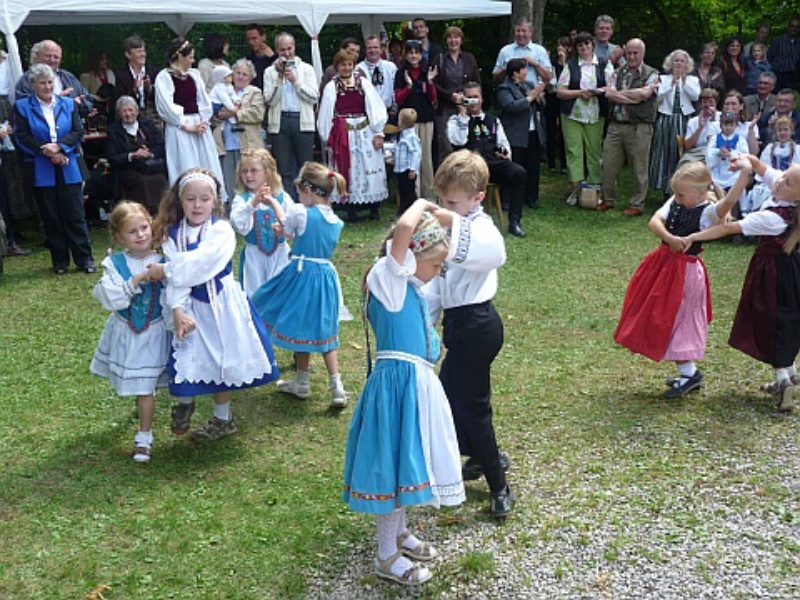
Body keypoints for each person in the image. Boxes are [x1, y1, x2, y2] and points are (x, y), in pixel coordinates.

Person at [342, 200, 465, 586]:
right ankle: (386, 555)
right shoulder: (390, 279)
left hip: (411, 387)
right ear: (412, 255)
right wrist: (423, 204)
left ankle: (398, 533)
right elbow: (404, 231)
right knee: (394, 467)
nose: (439, 271)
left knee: (407, 462)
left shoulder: (407, 287)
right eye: (436, 264)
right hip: (398, 389)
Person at [147, 168, 279, 439]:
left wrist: (167, 269)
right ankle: (185, 403)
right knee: (188, 353)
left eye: (204, 199)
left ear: (215, 201)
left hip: (222, 306)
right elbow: (180, 280)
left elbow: (200, 265)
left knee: (222, 358)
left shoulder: (221, 231)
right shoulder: (173, 235)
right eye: (190, 199)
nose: (197, 205)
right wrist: (177, 310)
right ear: (180, 200)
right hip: (189, 306)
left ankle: (223, 418)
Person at [423, 150, 513, 519]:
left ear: (477, 198)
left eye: (453, 203)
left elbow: (493, 253)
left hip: (479, 325)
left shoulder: (482, 228)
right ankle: (478, 453)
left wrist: (451, 222)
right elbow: (437, 282)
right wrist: (424, 322)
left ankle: (498, 483)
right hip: (459, 325)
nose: (444, 208)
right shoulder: (453, 225)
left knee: (473, 408)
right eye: (441, 200)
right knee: (447, 399)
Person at [614, 160, 751, 398]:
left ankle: (689, 374)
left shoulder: (708, 212)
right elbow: (654, 221)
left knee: (678, 319)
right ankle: (688, 372)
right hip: (663, 264)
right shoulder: (676, 201)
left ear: (701, 192)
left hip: (684, 272)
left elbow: (729, 201)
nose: (677, 198)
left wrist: (745, 172)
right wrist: (670, 238)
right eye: (676, 193)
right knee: (657, 313)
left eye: (681, 195)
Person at [683, 157, 800, 410]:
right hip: (790, 269)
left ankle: (783, 379)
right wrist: (742, 161)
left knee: (771, 320)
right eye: (784, 175)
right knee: (787, 319)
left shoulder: (773, 219)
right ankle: (790, 374)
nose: (780, 180)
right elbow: (760, 166)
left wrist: (694, 236)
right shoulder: (785, 194)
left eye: (788, 182)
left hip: (773, 275)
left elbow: (728, 229)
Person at [250, 162, 349, 409]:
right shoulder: (335, 220)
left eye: (300, 192)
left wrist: (273, 205)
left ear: (309, 190)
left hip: (302, 275)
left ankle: (303, 381)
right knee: (325, 329)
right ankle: (336, 386)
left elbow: (287, 226)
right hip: (325, 277)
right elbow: (300, 233)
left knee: (297, 323)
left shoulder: (301, 212)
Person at [89, 201, 170, 462]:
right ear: (119, 236)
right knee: (141, 384)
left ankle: (144, 438)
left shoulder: (164, 260)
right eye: (132, 231)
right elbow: (111, 298)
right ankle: (143, 413)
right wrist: (136, 279)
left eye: (144, 228)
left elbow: (176, 292)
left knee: (146, 387)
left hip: (155, 332)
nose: (141, 235)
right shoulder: (115, 264)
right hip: (127, 331)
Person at [14, 63, 95, 274]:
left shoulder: (68, 104)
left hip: (68, 164)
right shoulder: (22, 107)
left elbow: (78, 132)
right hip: (41, 167)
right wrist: (47, 151)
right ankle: (60, 261)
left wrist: (60, 148)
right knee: (51, 215)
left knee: (75, 214)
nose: (47, 87)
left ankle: (85, 259)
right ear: (33, 85)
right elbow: (21, 137)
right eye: (42, 83)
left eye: (50, 82)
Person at [448, 81, 528, 237]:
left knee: (519, 172)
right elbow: (458, 141)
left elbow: (503, 144)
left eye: (476, 97)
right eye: (469, 97)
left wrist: (505, 154)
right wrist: (463, 114)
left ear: (482, 98)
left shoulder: (493, 120)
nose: (473, 101)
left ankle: (514, 222)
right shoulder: (456, 120)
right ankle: (466, 221)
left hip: (492, 165)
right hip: (469, 168)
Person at [318, 49, 388, 222]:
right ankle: (350, 208)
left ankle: (373, 207)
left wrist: (378, 131)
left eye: (349, 64)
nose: (347, 68)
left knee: (369, 167)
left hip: (365, 131)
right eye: (343, 65)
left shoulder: (363, 83)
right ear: (337, 66)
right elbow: (326, 112)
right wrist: (327, 135)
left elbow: (374, 106)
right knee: (347, 168)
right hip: (344, 133)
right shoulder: (332, 87)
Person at [155, 37, 226, 202]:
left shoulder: (194, 75)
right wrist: (185, 125)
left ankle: (211, 202)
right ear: (179, 56)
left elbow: (203, 101)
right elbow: (166, 106)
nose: (193, 61)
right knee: (186, 166)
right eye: (190, 57)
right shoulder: (164, 77)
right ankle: (185, 203)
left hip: (199, 127)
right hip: (180, 129)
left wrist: (203, 121)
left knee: (206, 165)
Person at [602, 38, 659, 216]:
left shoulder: (652, 73)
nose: (632, 56)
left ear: (643, 53)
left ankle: (637, 204)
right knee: (608, 165)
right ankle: (608, 199)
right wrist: (633, 97)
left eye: (636, 53)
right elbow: (609, 94)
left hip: (639, 127)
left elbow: (645, 94)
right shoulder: (617, 72)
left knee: (639, 167)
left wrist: (619, 94)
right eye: (629, 53)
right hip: (615, 125)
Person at [555, 32, 613, 207]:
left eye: (587, 44)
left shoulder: (604, 63)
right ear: (576, 48)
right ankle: (577, 189)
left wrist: (597, 91)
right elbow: (560, 91)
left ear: (592, 45)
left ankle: (594, 190)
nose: (584, 48)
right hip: (572, 115)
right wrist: (580, 93)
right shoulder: (571, 65)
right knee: (574, 152)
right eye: (580, 45)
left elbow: (612, 87)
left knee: (595, 152)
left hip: (595, 114)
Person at [263, 32, 319, 198]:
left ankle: (307, 202)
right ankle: (287, 204)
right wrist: (280, 79)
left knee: (306, 168)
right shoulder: (269, 72)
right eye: (282, 50)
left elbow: (313, 97)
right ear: (277, 50)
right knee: (284, 169)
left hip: (303, 121)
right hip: (279, 122)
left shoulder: (307, 69)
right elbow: (270, 101)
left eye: (289, 48)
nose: (287, 53)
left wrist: (295, 81)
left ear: (294, 47)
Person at [229, 148, 292, 297]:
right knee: (255, 294)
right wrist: (252, 204)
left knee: (281, 293)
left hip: (280, 255)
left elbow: (293, 222)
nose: (248, 175)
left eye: (254, 170)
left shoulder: (281, 197)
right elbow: (238, 224)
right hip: (254, 257)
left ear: (267, 172)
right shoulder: (242, 200)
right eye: (244, 171)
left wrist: (283, 228)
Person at [211, 59, 266, 204]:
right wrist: (219, 115)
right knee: (229, 184)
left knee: (250, 182)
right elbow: (212, 115)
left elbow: (257, 114)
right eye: (238, 73)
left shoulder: (254, 92)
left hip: (248, 146)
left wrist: (235, 114)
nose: (240, 77)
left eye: (245, 74)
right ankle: (231, 213)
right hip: (225, 145)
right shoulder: (221, 90)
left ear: (251, 77)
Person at [497, 57, 547, 213]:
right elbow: (511, 107)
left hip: (532, 132)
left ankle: (531, 197)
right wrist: (531, 97)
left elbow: (541, 105)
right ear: (515, 73)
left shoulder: (528, 85)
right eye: (524, 69)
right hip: (516, 134)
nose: (526, 72)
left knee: (533, 166)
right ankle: (507, 199)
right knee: (514, 166)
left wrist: (539, 97)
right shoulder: (504, 89)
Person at [105, 96, 168, 215]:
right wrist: (132, 155)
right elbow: (112, 158)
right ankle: (146, 213)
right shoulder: (113, 131)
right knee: (143, 182)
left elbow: (161, 146)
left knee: (160, 178)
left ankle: (162, 213)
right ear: (119, 114)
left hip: (150, 166)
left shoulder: (147, 125)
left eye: (131, 110)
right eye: (124, 111)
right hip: (128, 168)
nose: (128, 114)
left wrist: (150, 153)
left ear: (137, 111)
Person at [649, 49, 700, 195]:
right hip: (666, 119)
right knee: (663, 151)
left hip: (684, 119)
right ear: (670, 63)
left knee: (679, 152)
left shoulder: (692, 80)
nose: (679, 64)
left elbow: (695, 96)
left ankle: (681, 187)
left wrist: (682, 81)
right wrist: (671, 84)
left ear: (687, 65)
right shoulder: (662, 78)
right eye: (676, 61)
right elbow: (658, 96)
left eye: (682, 61)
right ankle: (664, 187)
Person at [394, 41, 438, 201]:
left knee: (425, 158)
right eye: (410, 52)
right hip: (408, 121)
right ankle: (414, 196)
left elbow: (433, 98)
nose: (413, 56)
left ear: (421, 55)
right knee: (410, 158)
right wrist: (409, 86)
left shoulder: (427, 71)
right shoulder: (401, 73)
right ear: (405, 55)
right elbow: (398, 98)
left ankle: (430, 195)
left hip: (426, 118)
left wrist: (430, 81)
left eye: (417, 52)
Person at [431, 26, 480, 165]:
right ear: (446, 41)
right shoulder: (439, 59)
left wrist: (467, 96)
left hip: (466, 107)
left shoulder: (469, 58)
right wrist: (450, 95)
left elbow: (476, 82)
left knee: (467, 144)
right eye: (450, 37)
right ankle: (445, 176)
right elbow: (433, 84)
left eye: (456, 37)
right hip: (445, 108)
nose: (453, 40)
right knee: (446, 146)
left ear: (461, 40)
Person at [16, 40, 93, 116]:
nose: (52, 60)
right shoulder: (27, 79)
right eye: (48, 56)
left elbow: (88, 101)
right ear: (36, 56)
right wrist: (60, 100)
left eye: (56, 57)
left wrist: (75, 105)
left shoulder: (68, 77)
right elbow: (24, 107)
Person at [744, 117, 800, 216]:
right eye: (780, 130)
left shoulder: (797, 149)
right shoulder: (769, 148)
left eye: (785, 129)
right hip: (771, 181)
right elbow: (763, 167)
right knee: (761, 192)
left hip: (788, 184)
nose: (782, 133)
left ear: (791, 131)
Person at [114, 35, 161, 130]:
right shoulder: (121, 75)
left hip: (153, 118)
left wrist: (150, 89)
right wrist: (134, 90)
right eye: (139, 52)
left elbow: (162, 99)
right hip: (130, 118)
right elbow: (119, 101)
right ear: (128, 55)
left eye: (144, 51)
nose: (143, 54)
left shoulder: (154, 71)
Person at [492, 17, 553, 88]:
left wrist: (536, 65)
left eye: (524, 31)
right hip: (509, 92)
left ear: (530, 32)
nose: (520, 34)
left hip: (532, 91)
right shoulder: (505, 51)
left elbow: (549, 78)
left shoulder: (540, 51)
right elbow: (495, 78)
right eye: (518, 31)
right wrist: (509, 68)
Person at [706, 112, 750, 200]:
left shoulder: (740, 139)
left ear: (736, 126)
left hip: (733, 174)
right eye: (726, 124)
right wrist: (718, 152)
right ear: (721, 125)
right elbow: (709, 153)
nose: (728, 127)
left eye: (731, 125)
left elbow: (745, 155)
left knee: (740, 188)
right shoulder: (715, 138)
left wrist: (731, 154)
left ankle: (742, 207)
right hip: (718, 172)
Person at [544, 36, 570, 173]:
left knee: (564, 132)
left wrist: (564, 62)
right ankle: (551, 163)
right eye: (559, 45)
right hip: (552, 98)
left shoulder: (570, 63)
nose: (560, 48)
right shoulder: (552, 63)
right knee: (551, 130)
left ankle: (565, 164)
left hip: (564, 100)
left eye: (563, 45)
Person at [357, 35, 398, 113]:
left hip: (389, 111)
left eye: (376, 47)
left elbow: (396, 89)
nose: (373, 50)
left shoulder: (391, 67)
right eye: (369, 48)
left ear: (381, 49)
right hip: (368, 112)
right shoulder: (358, 69)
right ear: (365, 50)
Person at [393, 108, 422, 215]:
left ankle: (414, 210)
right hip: (400, 168)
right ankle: (402, 210)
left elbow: (416, 154)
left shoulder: (411, 137)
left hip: (407, 169)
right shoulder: (402, 135)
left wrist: (413, 169)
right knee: (401, 190)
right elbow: (398, 149)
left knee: (409, 191)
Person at [682, 88, 721, 163]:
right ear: (701, 104)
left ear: (716, 103)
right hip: (698, 153)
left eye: (711, 102)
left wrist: (713, 121)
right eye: (705, 102)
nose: (708, 105)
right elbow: (687, 146)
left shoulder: (722, 118)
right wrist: (700, 128)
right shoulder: (693, 121)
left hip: (718, 152)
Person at [721, 91, 760, 155]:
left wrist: (750, 129)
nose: (730, 107)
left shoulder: (749, 125)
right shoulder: (716, 125)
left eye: (733, 104)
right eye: (727, 104)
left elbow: (754, 152)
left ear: (741, 106)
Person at [768, 18, 800, 91]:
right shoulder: (778, 40)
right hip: (778, 75)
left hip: (793, 77)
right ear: (788, 27)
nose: (794, 29)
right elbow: (770, 56)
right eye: (792, 26)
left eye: (797, 27)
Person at [244, 24, 276, 90]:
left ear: (263, 37)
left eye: (254, 38)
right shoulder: (248, 60)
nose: (251, 42)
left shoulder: (275, 59)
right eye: (248, 39)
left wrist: (273, 57)